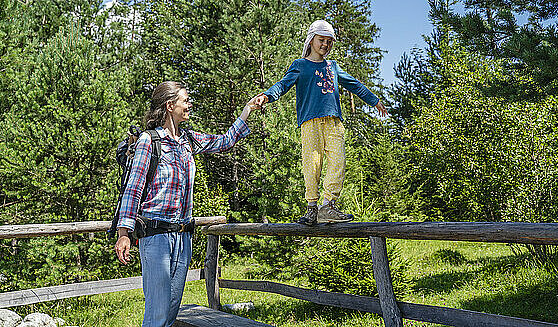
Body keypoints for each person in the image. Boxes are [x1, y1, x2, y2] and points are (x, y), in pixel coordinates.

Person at [114, 81, 260, 327]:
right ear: (170, 105)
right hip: (156, 236)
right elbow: (134, 187)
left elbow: (225, 141)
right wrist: (123, 233)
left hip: (183, 237)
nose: (189, 103)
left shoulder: (188, 140)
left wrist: (246, 110)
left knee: (170, 312)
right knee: (158, 313)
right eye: (185, 100)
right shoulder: (148, 141)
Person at [255, 20, 388, 226]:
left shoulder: (333, 67)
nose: (325, 45)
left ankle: (328, 206)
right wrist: (267, 96)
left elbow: (354, 84)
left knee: (338, 161)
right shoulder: (300, 66)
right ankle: (311, 207)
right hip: (310, 122)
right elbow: (282, 85)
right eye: (321, 40)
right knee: (312, 164)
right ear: (311, 40)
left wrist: (374, 100)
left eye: (329, 41)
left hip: (334, 122)